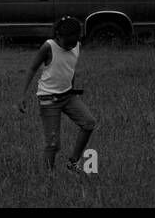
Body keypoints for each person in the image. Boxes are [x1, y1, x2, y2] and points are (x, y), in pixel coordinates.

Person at [18, 16, 97, 173]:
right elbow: (32, 69)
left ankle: (73, 163)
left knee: (89, 123)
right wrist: (22, 95)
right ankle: (49, 177)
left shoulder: (76, 46)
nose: (71, 46)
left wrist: (71, 88)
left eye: (74, 42)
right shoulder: (48, 47)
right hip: (49, 99)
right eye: (67, 43)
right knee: (53, 144)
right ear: (58, 36)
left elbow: (70, 67)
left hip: (68, 96)